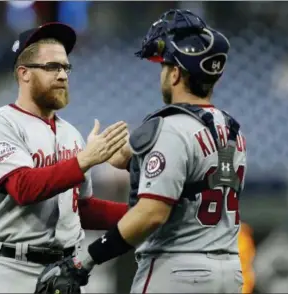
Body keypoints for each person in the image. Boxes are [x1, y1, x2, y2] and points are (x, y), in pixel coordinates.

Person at [36, 9, 248, 294]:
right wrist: (120, 154)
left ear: (175, 74)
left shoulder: (170, 128)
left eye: (164, 67)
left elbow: (151, 214)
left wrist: (84, 260)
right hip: (229, 272)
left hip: (177, 271)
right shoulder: (231, 129)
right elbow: (187, 172)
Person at [0, 22, 132, 293]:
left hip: (64, 272)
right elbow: (23, 187)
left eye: (66, 67)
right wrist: (86, 160)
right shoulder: (0, 124)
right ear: (24, 73)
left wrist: (138, 214)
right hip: (11, 269)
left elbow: (79, 209)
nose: (62, 75)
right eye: (52, 67)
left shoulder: (71, 133)